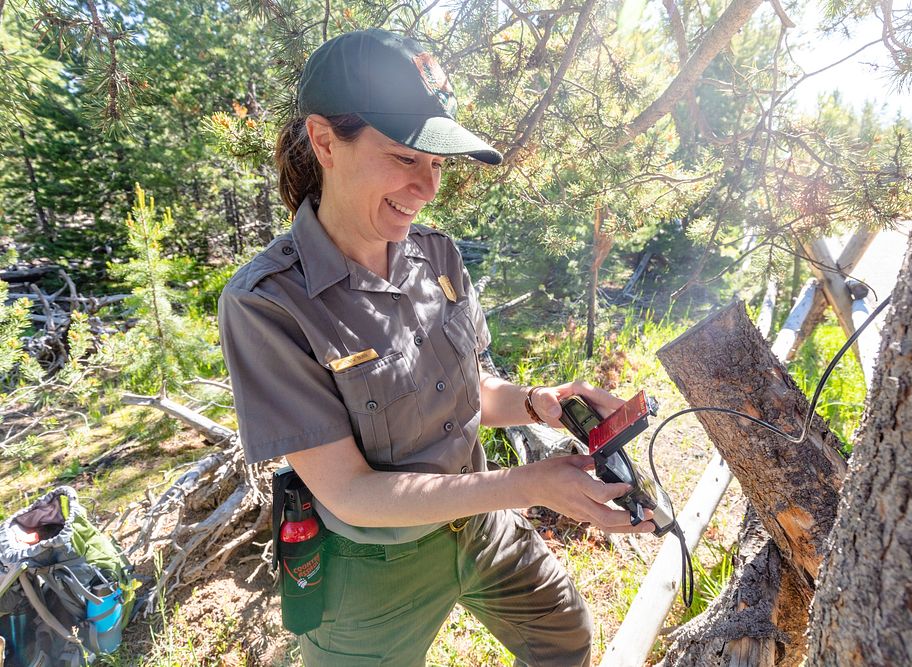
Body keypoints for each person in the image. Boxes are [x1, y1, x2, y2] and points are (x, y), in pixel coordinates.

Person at [218, 28, 654, 667]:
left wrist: (542, 404)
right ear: (323, 141)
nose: (427, 187)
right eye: (404, 157)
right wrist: (528, 485)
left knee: (563, 632)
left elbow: (467, 391)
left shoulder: (437, 255)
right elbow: (352, 493)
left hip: (480, 521)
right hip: (372, 568)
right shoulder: (268, 304)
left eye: (437, 164)